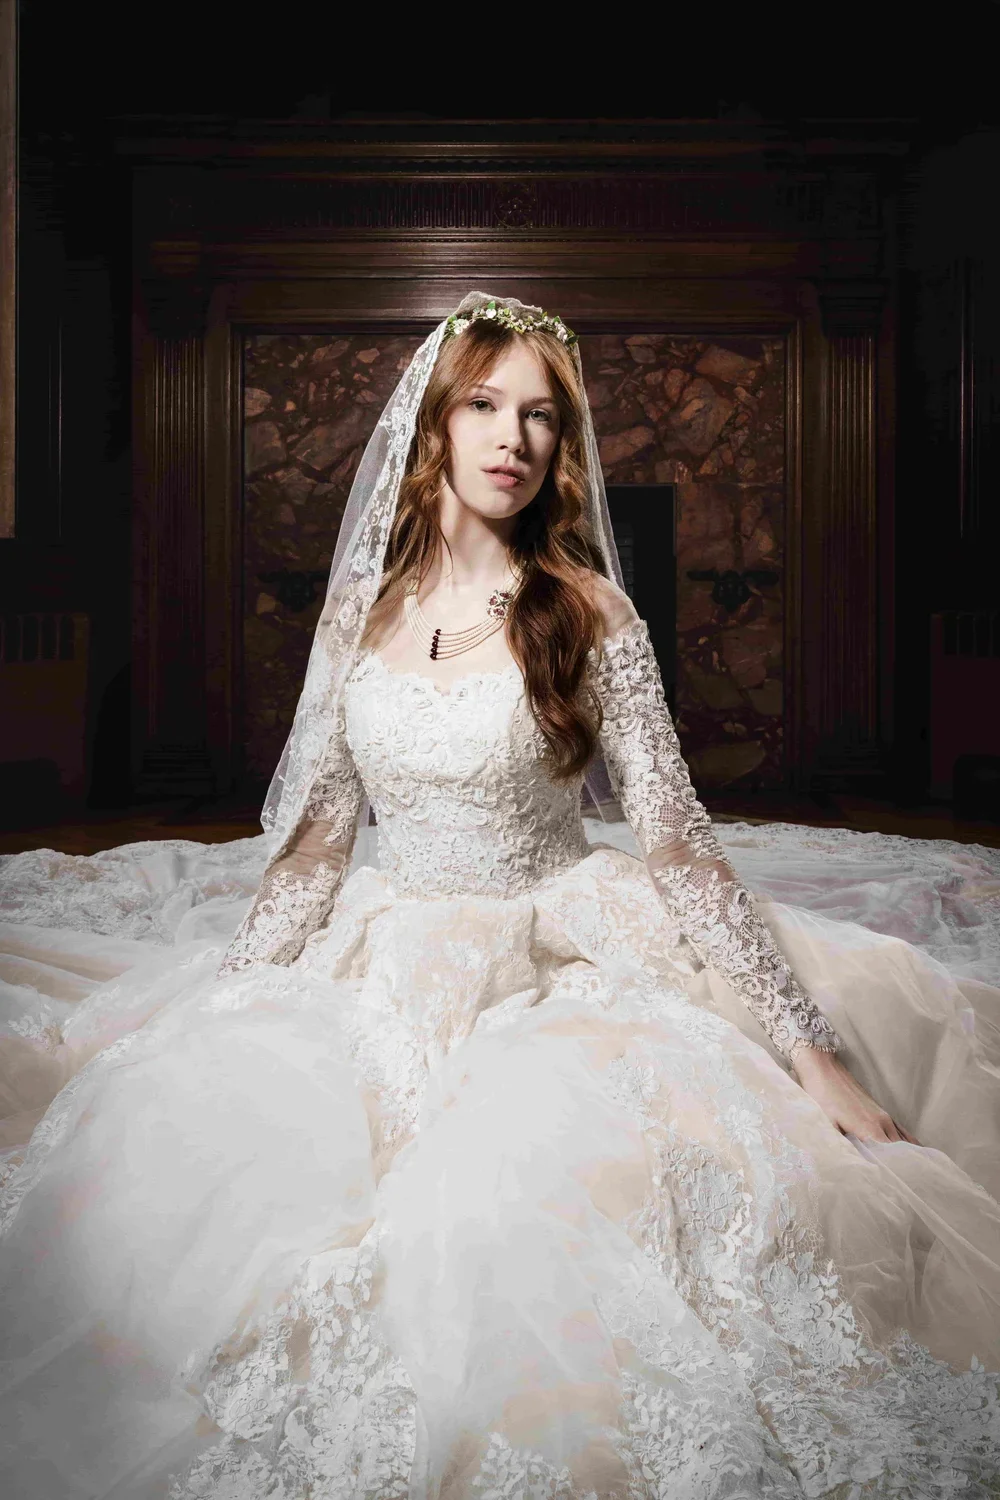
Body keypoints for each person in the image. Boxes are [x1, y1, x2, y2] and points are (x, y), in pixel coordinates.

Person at [0, 292, 998, 1498]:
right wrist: (236, 992)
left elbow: (677, 845)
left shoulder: (589, 613)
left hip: (560, 939)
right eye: (484, 405)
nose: (512, 438)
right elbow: (319, 845)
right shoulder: (361, 621)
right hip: (390, 941)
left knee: (530, 1203)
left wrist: (810, 1051)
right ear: (435, 425)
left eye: (539, 416)